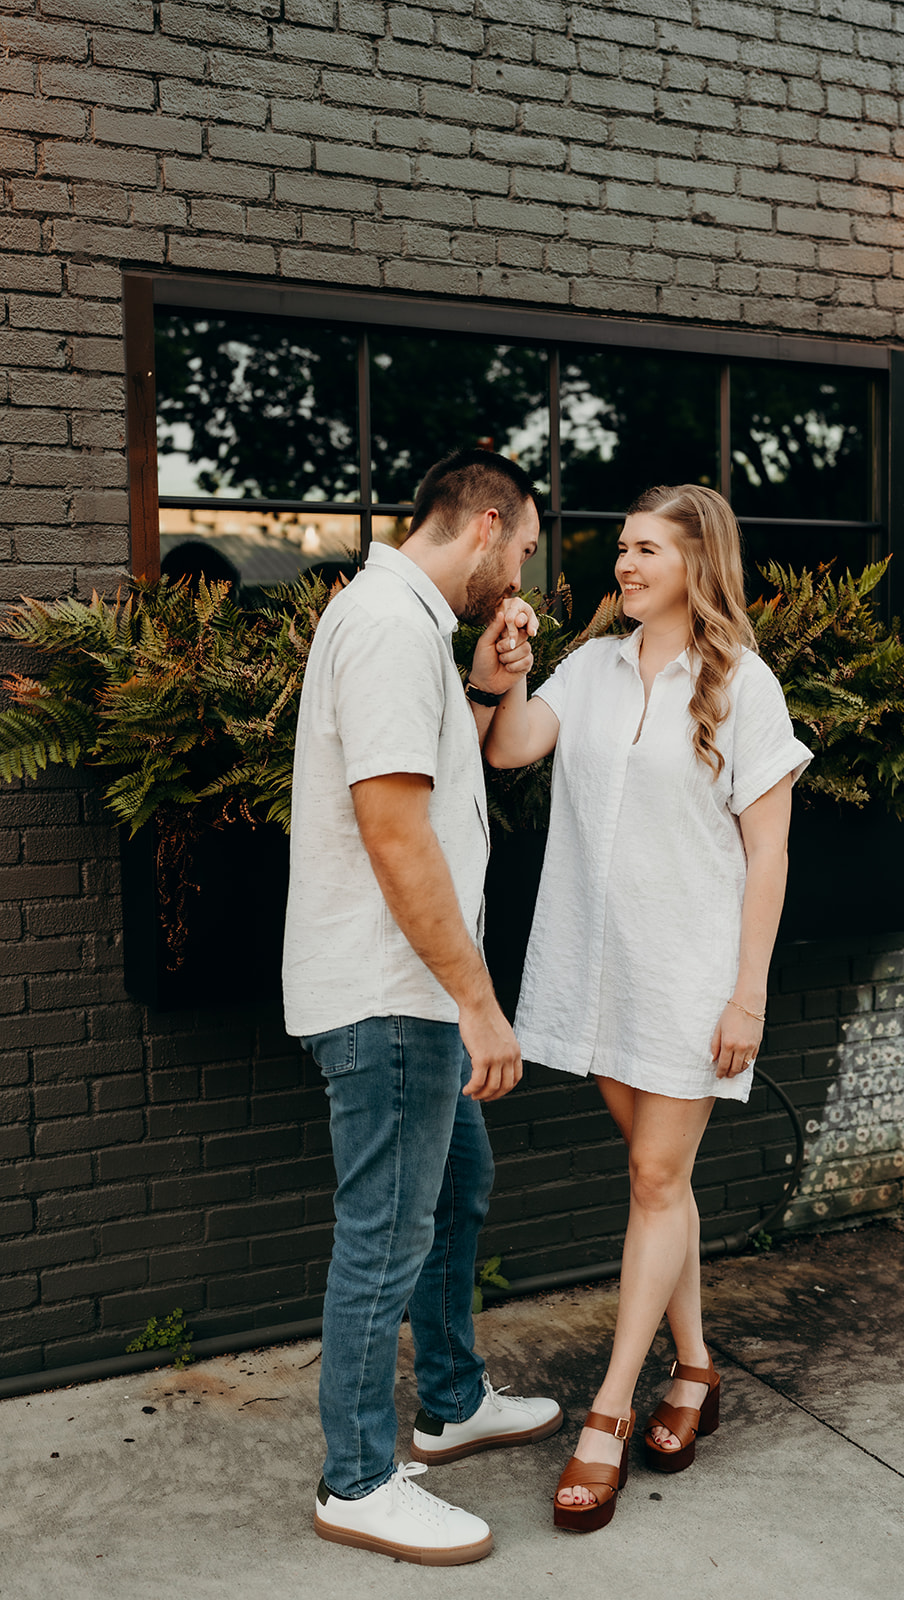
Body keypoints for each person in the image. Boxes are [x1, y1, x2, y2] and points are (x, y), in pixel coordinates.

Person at [485, 483, 812, 1532]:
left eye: (646, 551)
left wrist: (748, 995)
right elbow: (509, 747)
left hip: (691, 978)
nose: (623, 564)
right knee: (658, 1182)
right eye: (621, 548)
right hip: (599, 970)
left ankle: (610, 1410)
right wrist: (501, 670)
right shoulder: (588, 668)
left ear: (696, 564)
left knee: (653, 1178)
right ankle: (698, 1367)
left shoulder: (744, 684)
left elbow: (769, 853)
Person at [283, 448, 563, 1566]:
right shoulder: (391, 629)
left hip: (409, 994)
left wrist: (487, 686)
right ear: (486, 525)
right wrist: (478, 1005)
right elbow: (396, 834)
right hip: (394, 995)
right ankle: (356, 1480)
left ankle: (450, 1401)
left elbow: (440, 792)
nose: (522, 575)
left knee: (457, 1188)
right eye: (525, 549)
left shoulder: (405, 625)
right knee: (385, 1233)